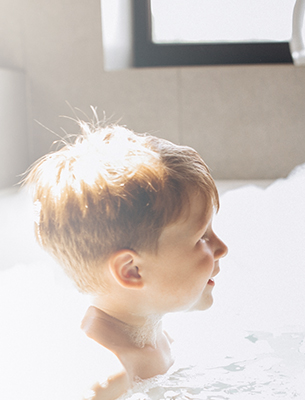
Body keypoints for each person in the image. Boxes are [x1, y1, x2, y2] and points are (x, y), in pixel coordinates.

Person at [24, 122, 229, 399]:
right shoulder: (104, 380)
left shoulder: (156, 337)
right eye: (201, 238)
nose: (221, 248)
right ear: (131, 271)